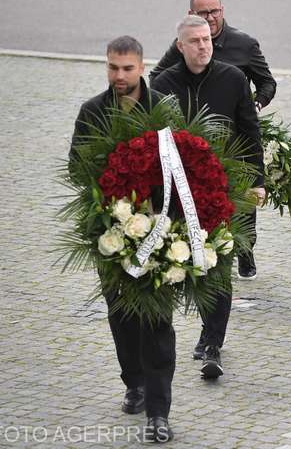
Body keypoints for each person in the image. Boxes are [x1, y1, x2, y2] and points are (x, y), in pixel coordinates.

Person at [69, 36, 174, 443]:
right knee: (122, 314)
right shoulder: (92, 112)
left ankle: (159, 413)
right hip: (111, 233)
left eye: (127, 68)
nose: (119, 76)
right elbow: (78, 169)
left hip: (162, 231)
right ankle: (134, 380)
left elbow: (185, 165)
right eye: (113, 67)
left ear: (142, 67)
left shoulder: (164, 108)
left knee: (158, 321)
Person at [152, 15, 266, 378]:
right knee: (183, 262)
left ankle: (212, 340)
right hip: (176, 187)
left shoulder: (232, 79)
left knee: (218, 265)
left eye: (207, 39)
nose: (204, 46)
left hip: (222, 186)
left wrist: (257, 180)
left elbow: (250, 132)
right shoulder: (162, 84)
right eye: (195, 41)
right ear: (180, 46)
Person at [150, 0, 275, 280]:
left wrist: (254, 102)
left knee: (242, 206)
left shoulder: (243, 47)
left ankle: (245, 248)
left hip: (233, 136)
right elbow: (157, 80)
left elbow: (266, 84)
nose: (211, 18)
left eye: (215, 11)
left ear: (222, 10)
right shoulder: (180, 47)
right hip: (194, 148)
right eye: (203, 13)